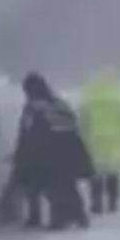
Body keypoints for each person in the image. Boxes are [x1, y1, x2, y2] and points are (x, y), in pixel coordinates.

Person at [14, 72, 93, 230]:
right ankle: (78, 216)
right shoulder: (58, 104)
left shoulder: (34, 108)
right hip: (68, 151)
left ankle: (57, 219)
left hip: (46, 153)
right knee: (66, 186)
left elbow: (29, 132)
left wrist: (23, 153)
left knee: (48, 187)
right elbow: (73, 126)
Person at [78, 67, 120, 214]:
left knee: (96, 173)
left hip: (95, 139)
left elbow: (83, 120)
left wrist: (82, 136)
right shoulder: (116, 98)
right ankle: (112, 201)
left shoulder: (88, 98)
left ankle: (96, 202)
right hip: (114, 139)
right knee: (112, 172)